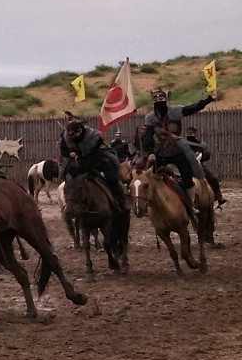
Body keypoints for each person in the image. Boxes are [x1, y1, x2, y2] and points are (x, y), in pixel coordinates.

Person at [59, 117, 130, 252]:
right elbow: (63, 150)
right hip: (79, 159)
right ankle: (70, 203)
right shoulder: (66, 137)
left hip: (99, 158)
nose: (73, 137)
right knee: (69, 179)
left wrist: (81, 168)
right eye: (71, 135)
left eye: (76, 134)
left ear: (81, 131)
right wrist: (70, 153)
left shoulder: (94, 136)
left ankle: (121, 201)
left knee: (110, 179)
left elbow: (91, 158)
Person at [141, 83, 212, 159]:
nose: (158, 100)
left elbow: (193, 107)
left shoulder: (175, 111)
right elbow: (148, 138)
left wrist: (209, 99)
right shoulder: (150, 118)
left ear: (166, 99)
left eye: (161, 98)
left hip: (178, 148)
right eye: (156, 99)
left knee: (193, 166)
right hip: (161, 151)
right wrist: (151, 153)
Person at [185, 125, 225, 208]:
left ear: (195, 134)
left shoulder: (201, 145)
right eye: (189, 133)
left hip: (199, 166)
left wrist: (200, 157)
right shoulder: (183, 144)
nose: (190, 135)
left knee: (213, 179)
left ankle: (219, 197)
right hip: (185, 166)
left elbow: (207, 155)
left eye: (192, 133)